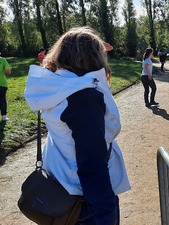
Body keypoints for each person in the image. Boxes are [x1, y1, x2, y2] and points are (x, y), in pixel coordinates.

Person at [24, 26, 131, 224]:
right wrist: (106, 214)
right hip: (87, 204)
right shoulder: (84, 98)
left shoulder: (58, 87)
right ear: (93, 58)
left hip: (65, 192)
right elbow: (92, 164)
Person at [0, 52, 11, 121]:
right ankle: (4, 116)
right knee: (2, 99)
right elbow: (8, 72)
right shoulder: (3, 60)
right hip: (2, 83)